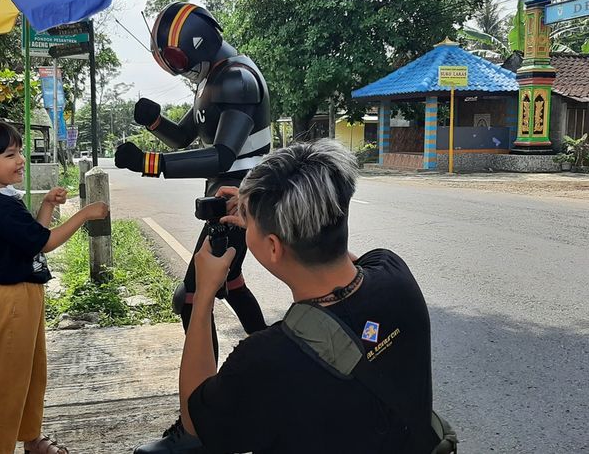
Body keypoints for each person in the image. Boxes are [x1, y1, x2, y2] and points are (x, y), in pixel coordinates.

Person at [142, 138, 443, 453]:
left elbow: (195, 421)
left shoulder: (267, 359)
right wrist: (260, 215)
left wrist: (203, 294)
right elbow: (338, 255)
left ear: (273, 247)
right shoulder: (395, 273)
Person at [115, 2, 271, 352]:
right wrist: (154, 122)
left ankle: (206, 393)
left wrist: (149, 163)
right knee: (230, 283)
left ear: (199, 42)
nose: (180, 69)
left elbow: (221, 155)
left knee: (189, 297)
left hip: (237, 197)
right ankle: (268, 355)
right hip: (227, 196)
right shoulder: (214, 78)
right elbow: (187, 137)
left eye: (178, 60)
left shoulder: (236, 79)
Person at [0, 120, 109, 454]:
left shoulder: (6, 200)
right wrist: (85, 214)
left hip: (25, 294)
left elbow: (31, 241)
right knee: (6, 383)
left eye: (20, 151)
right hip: (9, 300)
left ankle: (31, 438)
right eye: (11, 154)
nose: (20, 159)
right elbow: (46, 242)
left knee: (31, 373)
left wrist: (48, 206)